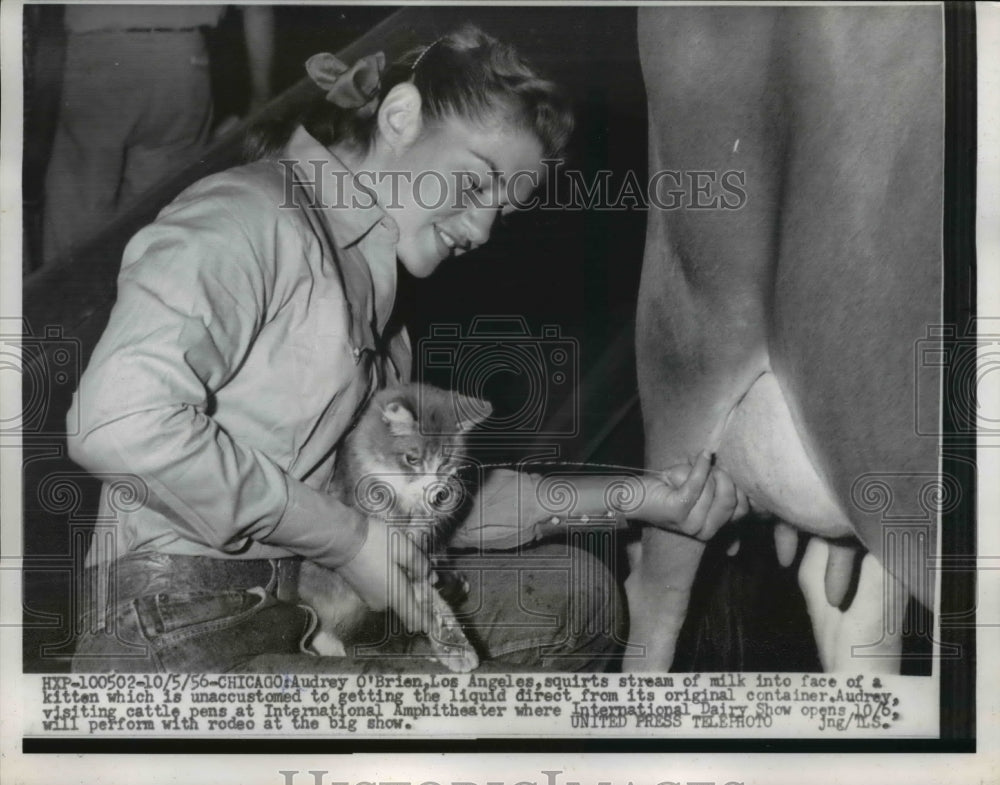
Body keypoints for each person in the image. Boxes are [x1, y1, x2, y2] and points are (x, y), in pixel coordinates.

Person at [66, 26, 746, 674]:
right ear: (398, 116)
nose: (482, 227)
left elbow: (419, 510)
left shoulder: (385, 321)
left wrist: (642, 498)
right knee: (519, 729)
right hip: (172, 634)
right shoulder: (246, 217)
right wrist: (349, 539)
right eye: (475, 182)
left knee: (575, 596)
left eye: (505, 209)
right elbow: (116, 424)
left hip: (297, 611)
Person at [42, 4, 274, 263]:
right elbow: (259, 9)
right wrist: (260, 97)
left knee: (78, 211)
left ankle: (69, 298)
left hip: (101, 55)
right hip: (183, 61)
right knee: (155, 213)